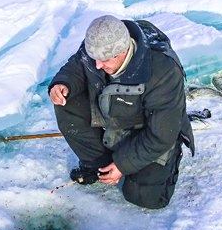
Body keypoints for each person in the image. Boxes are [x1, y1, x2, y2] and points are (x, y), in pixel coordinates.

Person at [48, 15, 194, 209]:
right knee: (66, 100)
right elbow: (77, 66)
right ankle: (98, 164)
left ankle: (166, 162)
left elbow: (161, 135)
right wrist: (62, 83)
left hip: (150, 130)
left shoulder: (163, 72)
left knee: (146, 198)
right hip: (115, 115)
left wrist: (123, 165)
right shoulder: (97, 47)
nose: (98, 65)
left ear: (123, 51)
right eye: (95, 59)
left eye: (105, 60)